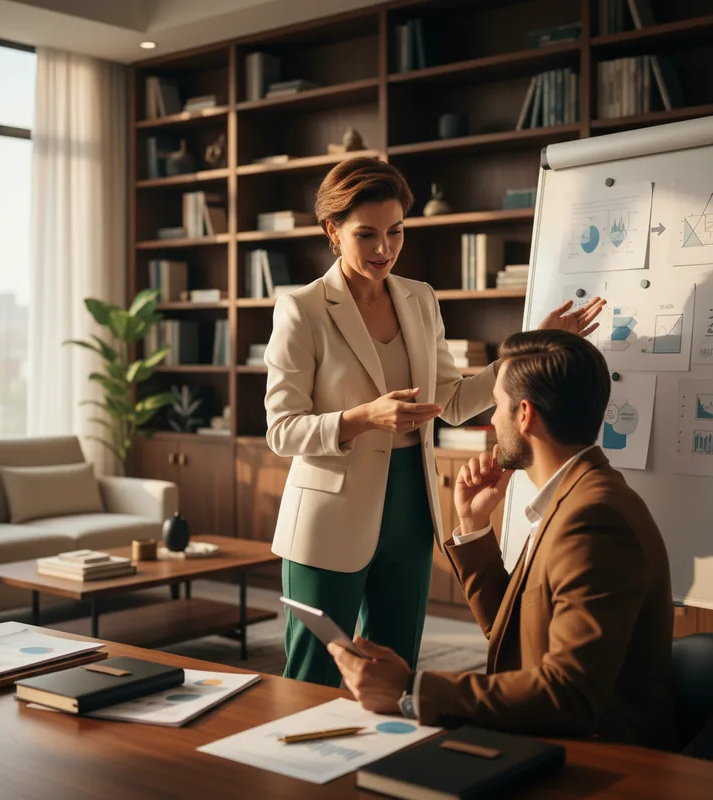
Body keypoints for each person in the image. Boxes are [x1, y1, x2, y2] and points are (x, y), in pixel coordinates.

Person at [264, 157, 605, 687]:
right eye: (367, 235)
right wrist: (364, 418)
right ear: (332, 231)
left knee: (396, 667)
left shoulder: (419, 299)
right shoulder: (302, 309)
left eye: (396, 232)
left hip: (411, 508)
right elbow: (282, 429)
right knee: (314, 673)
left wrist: (534, 346)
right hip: (328, 516)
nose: (384, 249)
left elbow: (453, 398)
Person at [328, 330, 676, 750]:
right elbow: (516, 634)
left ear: (524, 414)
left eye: (497, 404)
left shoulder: (593, 520)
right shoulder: (577, 496)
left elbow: (569, 697)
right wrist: (474, 524)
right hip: (550, 736)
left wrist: (412, 690)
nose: (492, 419)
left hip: (597, 759)